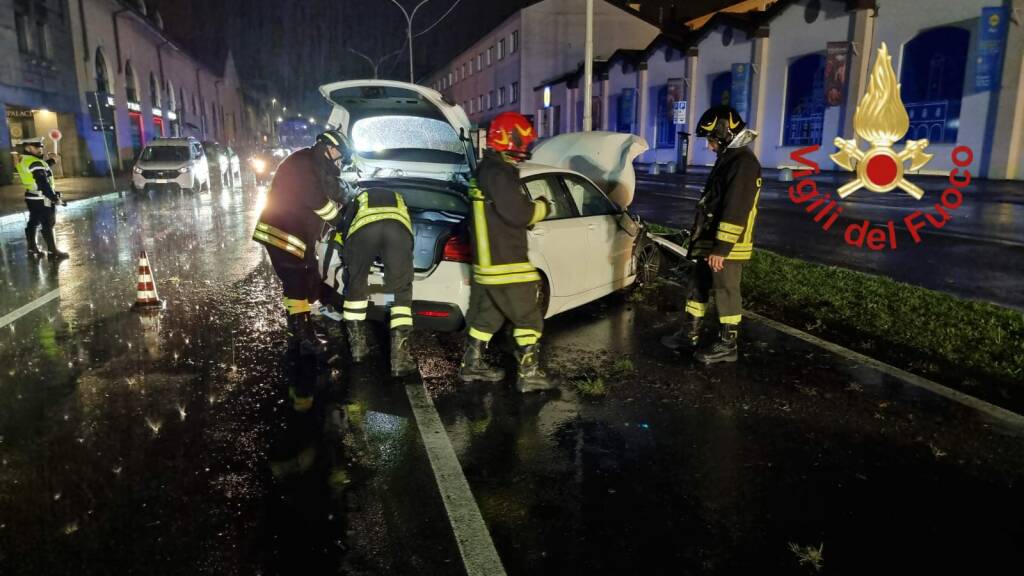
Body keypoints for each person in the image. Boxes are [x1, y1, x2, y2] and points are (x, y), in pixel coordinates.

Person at [458, 112, 555, 393]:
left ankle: (472, 364)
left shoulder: (485, 171)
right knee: (529, 317)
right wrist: (542, 206)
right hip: (507, 264)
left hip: (488, 268)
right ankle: (529, 373)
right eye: (521, 141)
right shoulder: (499, 173)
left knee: (488, 317)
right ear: (505, 138)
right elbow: (518, 213)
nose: (524, 147)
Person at [662, 105, 762, 364]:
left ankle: (728, 345)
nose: (709, 146)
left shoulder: (744, 163)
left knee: (726, 290)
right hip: (711, 241)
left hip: (727, 245)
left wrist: (721, 248)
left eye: (711, 140)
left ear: (726, 134)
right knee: (698, 285)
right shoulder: (730, 159)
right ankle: (690, 335)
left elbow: (735, 209)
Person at [253, 129, 350, 357]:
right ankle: (305, 337)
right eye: (340, 154)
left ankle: (296, 331)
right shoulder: (303, 164)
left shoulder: (310, 161)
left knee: (298, 281)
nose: (340, 160)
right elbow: (317, 201)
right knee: (297, 281)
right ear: (329, 147)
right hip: (283, 233)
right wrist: (340, 222)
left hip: (290, 233)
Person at [333, 184, 416, 377]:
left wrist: (350, 261)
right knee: (401, 290)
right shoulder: (400, 198)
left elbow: (345, 228)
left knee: (356, 285)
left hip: (363, 233)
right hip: (398, 232)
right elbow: (408, 232)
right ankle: (399, 359)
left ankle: (358, 350)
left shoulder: (360, 198)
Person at [15, 137, 68, 260]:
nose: (39, 149)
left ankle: (32, 247)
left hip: (31, 196)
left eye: (40, 147)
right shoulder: (35, 162)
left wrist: (52, 161)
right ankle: (53, 252)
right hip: (42, 198)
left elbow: (41, 169)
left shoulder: (25, 159)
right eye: (36, 147)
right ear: (28, 148)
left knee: (33, 222)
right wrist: (54, 198)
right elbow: (42, 182)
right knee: (48, 223)